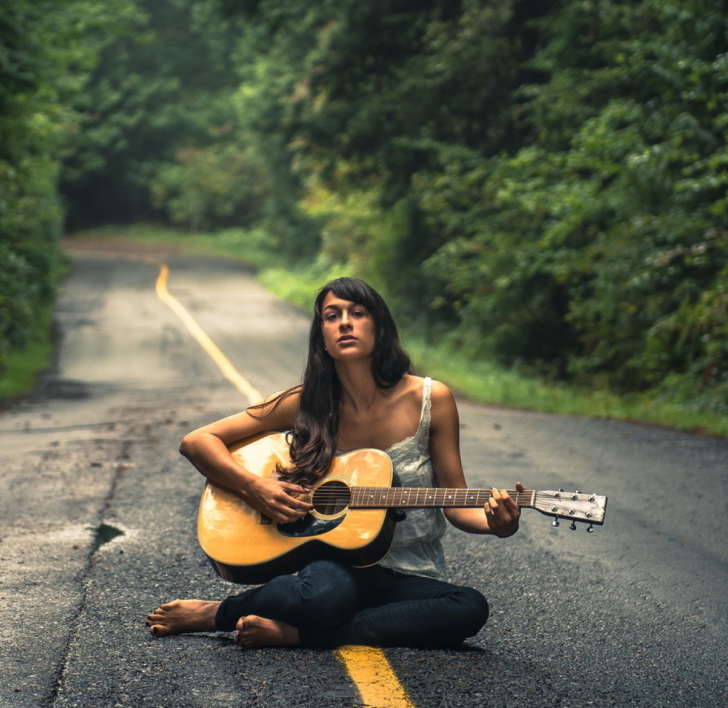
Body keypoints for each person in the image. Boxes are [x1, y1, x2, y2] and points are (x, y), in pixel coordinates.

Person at [145, 276, 524, 649]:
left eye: (357, 312)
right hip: (336, 567)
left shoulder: (431, 399)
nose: (345, 322)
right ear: (322, 338)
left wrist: (497, 525)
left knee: (468, 607)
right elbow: (197, 441)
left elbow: (456, 504)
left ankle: (302, 635)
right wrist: (255, 487)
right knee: (321, 595)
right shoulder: (305, 401)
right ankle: (219, 613)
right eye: (332, 315)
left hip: (409, 572)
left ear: (379, 327)